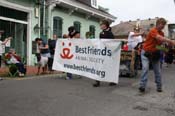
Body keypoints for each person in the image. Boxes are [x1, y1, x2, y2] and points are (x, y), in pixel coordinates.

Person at [139, 18, 175, 93]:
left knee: (157, 71)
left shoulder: (162, 33)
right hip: (146, 53)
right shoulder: (153, 31)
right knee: (145, 68)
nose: (163, 26)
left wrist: (167, 49)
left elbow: (158, 46)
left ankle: (159, 86)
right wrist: (171, 41)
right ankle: (142, 86)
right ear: (158, 24)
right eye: (162, 24)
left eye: (164, 25)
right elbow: (159, 38)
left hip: (155, 54)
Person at [93, 20, 116, 87]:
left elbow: (112, 43)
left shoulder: (110, 33)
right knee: (100, 66)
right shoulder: (101, 33)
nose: (100, 26)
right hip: (102, 52)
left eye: (101, 24)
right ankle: (97, 81)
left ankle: (112, 80)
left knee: (109, 67)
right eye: (100, 25)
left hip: (108, 52)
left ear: (105, 25)